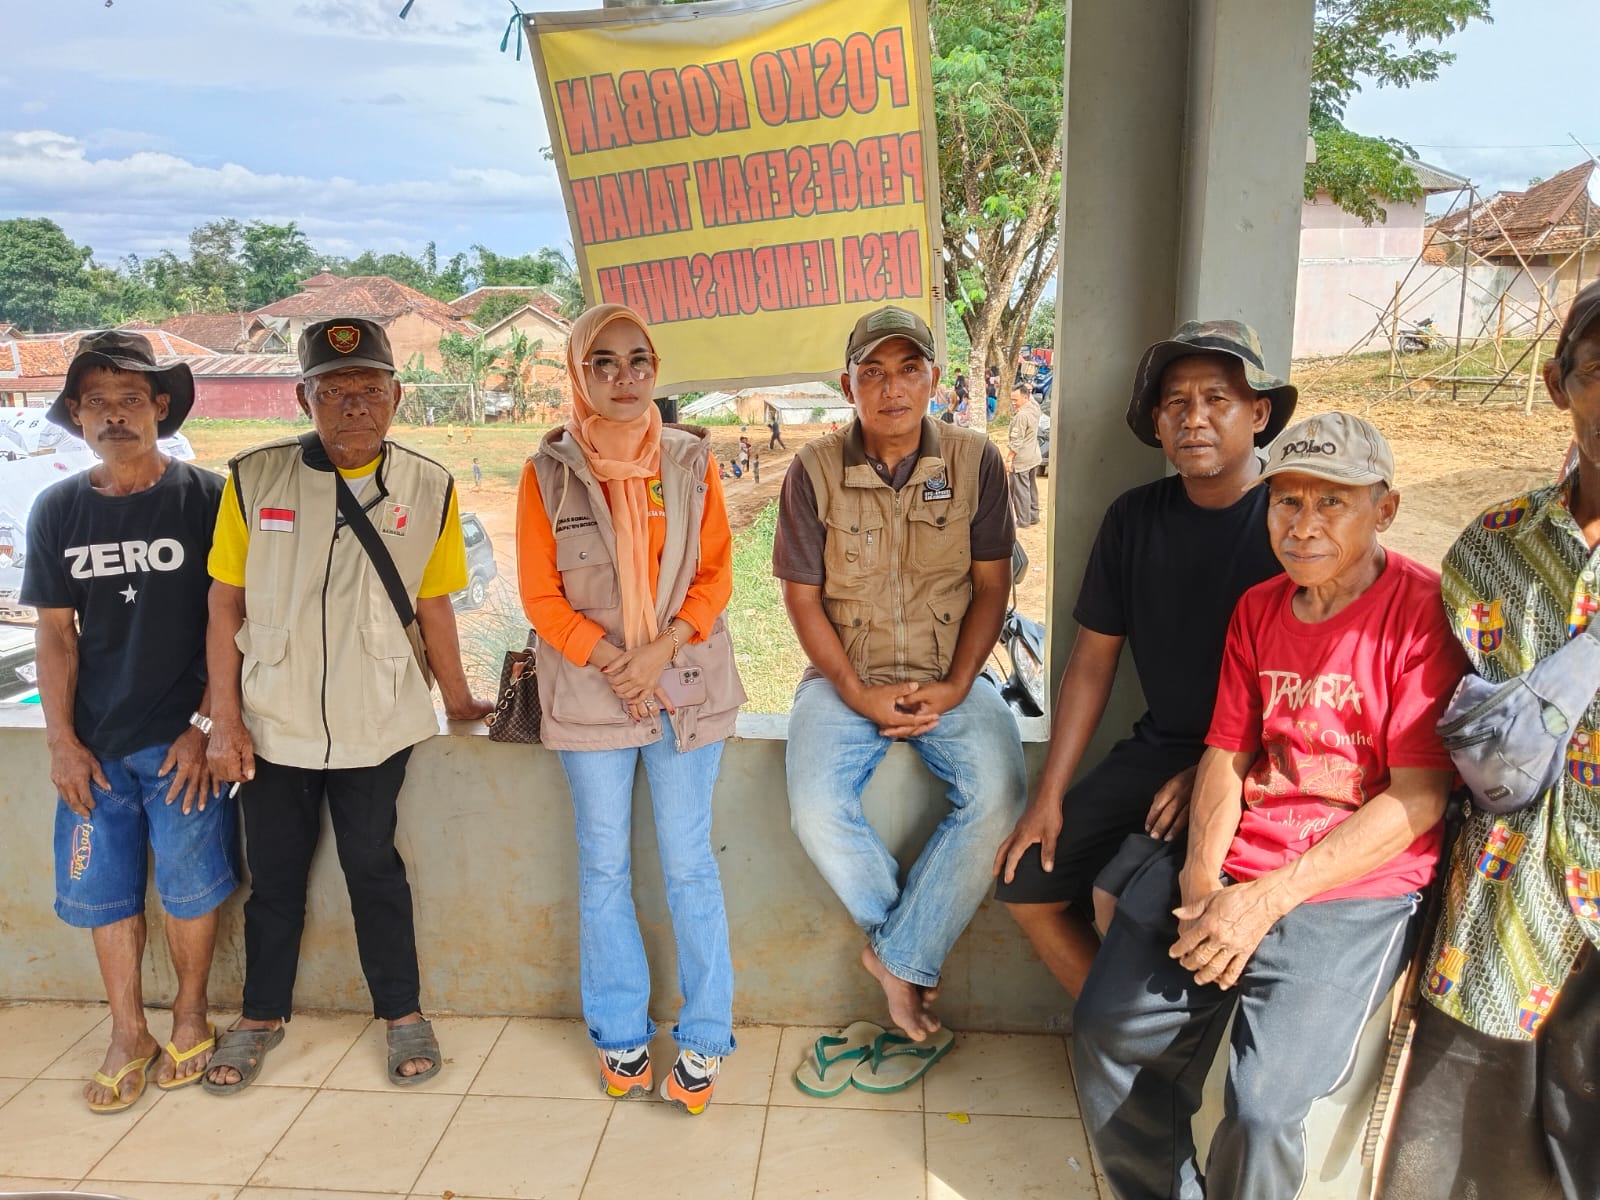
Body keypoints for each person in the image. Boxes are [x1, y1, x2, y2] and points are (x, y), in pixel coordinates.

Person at [1073, 412, 1468, 1200]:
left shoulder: (1421, 609)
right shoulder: (1260, 608)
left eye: (1333, 503)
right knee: (1106, 1034)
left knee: (1263, 1108)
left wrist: (1266, 901)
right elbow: (1227, 753)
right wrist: (1201, 884)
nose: (1305, 524)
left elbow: (1419, 797)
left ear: (1382, 510)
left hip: (1351, 890)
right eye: (1288, 501)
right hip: (1236, 861)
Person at [202, 317, 492, 1094]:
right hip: (273, 720)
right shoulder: (254, 477)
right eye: (334, 392)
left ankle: (401, 1015)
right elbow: (222, 603)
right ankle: (260, 1017)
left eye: (370, 389)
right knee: (276, 878)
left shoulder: (430, 485)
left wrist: (460, 699)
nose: (354, 406)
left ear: (396, 397)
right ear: (304, 397)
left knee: (374, 867)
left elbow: (434, 606)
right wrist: (222, 718)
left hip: (379, 720)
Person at [992, 321, 1293, 997]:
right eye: (1176, 404)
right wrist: (1048, 798)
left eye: (1218, 399)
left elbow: (1315, 686)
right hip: (1160, 747)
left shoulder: (1289, 524)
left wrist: (1216, 771)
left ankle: (1134, 1052)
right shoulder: (1134, 518)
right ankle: (1115, 1048)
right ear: (1157, 423)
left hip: (1265, 760)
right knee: (1027, 883)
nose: (1195, 419)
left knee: (1140, 905)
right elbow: (1092, 664)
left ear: (1259, 413)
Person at [1381, 280, 1600, 1200]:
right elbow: (1447, 731)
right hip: (1508, 906)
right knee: (1469, 1161)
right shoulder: (1494, 549)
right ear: (1558, 385)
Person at [516, 303, 745, 1115]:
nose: (623, 377)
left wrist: (659, 650)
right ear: (578, 373)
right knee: (604, 866)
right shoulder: (547, 471)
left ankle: (705, 1035)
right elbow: (540, 595)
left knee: (689, 865)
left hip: (683, 683)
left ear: (657, 368)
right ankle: (619, 1035)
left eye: (638, 360)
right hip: (592, 693)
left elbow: (716, 574)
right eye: (603, 362)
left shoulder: (689, 460)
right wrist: (616, 661)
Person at [774, 305, 1025, 1041]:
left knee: (1001, 796)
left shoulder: (977, 462)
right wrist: (855, 691)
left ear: (934, 379)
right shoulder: (812, 469)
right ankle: (905, 952)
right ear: (847, 383)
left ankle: (895, 957)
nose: (892, 389)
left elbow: (991, 588)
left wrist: (954, 686)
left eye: (909, 369)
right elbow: (800, 597)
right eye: (873, 372)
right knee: (815, 809)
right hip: (842, 680)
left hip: (953, 674)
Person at [23, 332, 235, 1113]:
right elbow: (55, 634)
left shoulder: (209, 499)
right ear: (78, 417)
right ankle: (126, 1030)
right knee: (104, 893)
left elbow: (234, 621)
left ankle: (188, 1013)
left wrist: (206, 724)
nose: (115, 417)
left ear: (162, 409)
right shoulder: (58, 509)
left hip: (182, 743)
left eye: (131, 401)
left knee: (190, 889)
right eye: (98, 404)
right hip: (96, 752)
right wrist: (63, 744)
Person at [1005, 383, 1043, 529]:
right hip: (1033, 456)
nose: (1013, 403)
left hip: (1021, 459)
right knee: (1031, 487)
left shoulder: (1021, 415)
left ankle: (1023, 520)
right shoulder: (1034, 408)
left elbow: (1016, 441)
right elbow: (1032, 398)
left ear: (1025, 397)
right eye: (1012, 400)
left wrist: (1009, 459)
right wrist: (1029, 389)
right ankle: (1034, 516)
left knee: (1020, 491)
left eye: (1016, 400)